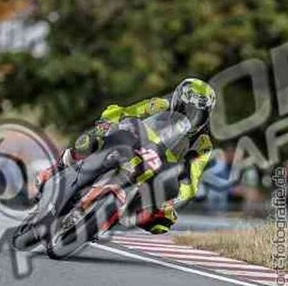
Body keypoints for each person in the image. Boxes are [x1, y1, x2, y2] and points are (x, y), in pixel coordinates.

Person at [34, 78, 216, 234]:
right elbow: (126, 112)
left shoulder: (203, 143)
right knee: (89, 141)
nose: (191, 117)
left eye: (198, 114)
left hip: (158, 170)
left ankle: (111, 218)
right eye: (186, 109)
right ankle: (57, 168)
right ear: (177, 101)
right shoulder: (159, 105)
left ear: (206, 116)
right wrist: (108, 122)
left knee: (162, 222)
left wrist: (176, 197)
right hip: (133, 145)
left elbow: (193, 179)